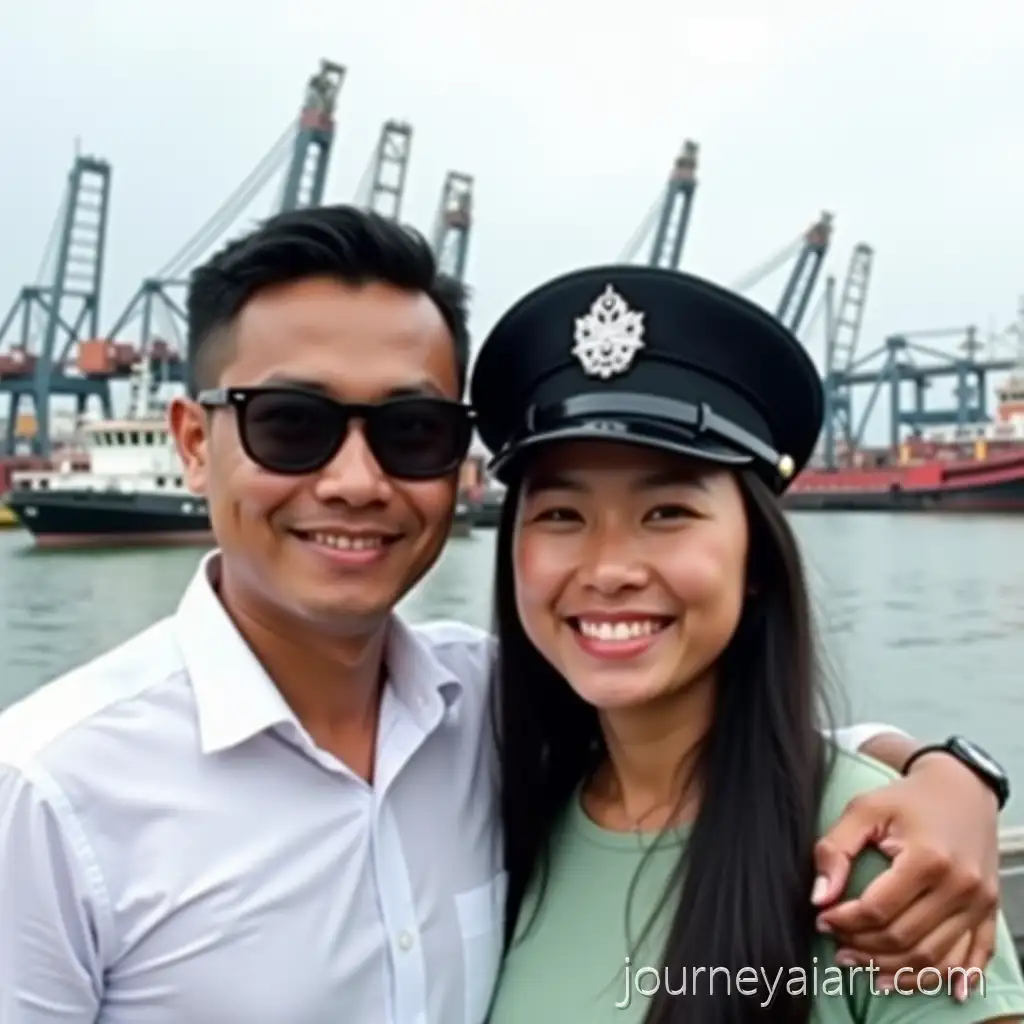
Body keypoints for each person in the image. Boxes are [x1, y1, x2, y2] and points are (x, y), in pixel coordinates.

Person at [0, 207, 1010, 1023]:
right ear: (190, 437)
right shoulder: (50, 796)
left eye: (411, 431)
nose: (355, 482)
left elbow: (751, 745)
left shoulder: (486, 711)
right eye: (292, 424)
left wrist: (948, 777)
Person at [467, 264, 1024, 1023]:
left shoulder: (885, 863)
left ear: (756, 558)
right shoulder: (501, 821)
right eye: (561, 515)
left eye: (666, 512)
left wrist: (952, 777)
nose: (608, 569)